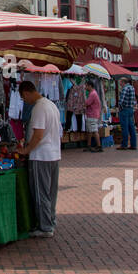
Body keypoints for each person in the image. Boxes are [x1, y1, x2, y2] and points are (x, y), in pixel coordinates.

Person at [18, 80, 62, 238]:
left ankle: (45, 226)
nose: (25, 101)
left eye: (23, 98)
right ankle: (50, 220)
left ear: (27, 93)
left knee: (40, 192)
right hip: (54, 155)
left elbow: (38, 134)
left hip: (41, 156)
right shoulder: (51, 105)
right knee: (50, 192)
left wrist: (26, 150)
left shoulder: (39, 108)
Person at [116, 77, 138, 150]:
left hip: (124, 109)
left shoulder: (125, 88)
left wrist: (120, 107)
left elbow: (121, 101)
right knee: (131, 127)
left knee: (124, 127)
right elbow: (134, 100)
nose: (120, 84)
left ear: (123, 82)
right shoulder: (132, 88)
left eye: (120, 82)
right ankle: (133, 144)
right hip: (130, 109)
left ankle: (124, 144)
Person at [83, 80, 103, 153]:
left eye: (86, 85)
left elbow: (87, 103)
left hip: (92, 114)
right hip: (93, 114)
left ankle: (99, 146)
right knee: (90, 131)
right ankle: (89, 145)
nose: (85, 87)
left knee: (94, 130)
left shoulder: (92, 94)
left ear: (90, 86)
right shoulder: (93, 93)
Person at [63, 79, 84, 145]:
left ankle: (67, 129)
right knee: (78, 117)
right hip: (77, 100)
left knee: (71, 115)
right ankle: (78, 131)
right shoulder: (81, 82)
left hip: (72, 99)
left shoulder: (70, 81)